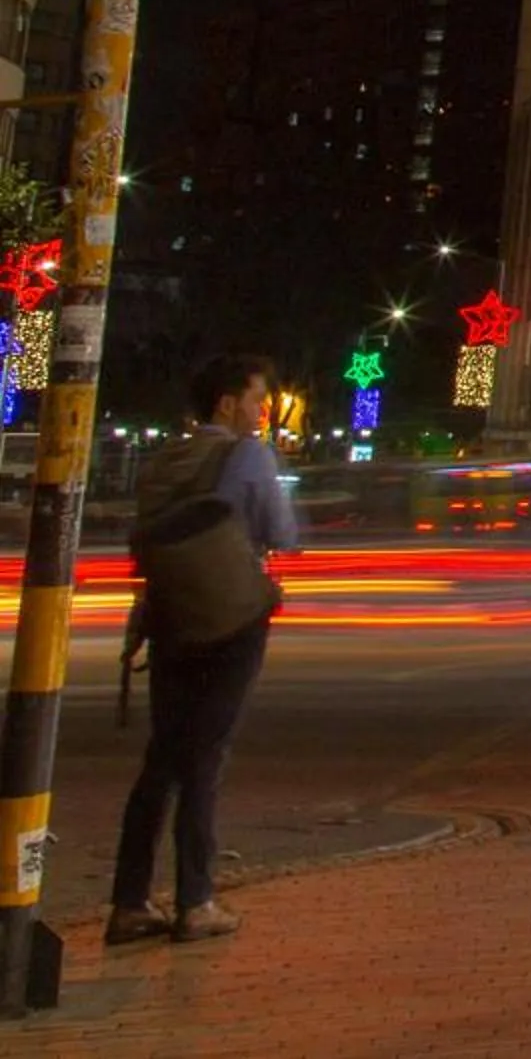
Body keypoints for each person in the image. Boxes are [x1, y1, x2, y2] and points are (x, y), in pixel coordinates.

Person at [107, 351, 298, 946]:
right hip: (231, 618)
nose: (262, 412)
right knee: (206, 758)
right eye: (256, 400)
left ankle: (130, 902)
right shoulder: (248, 455)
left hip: (170, 614)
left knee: (161, 759)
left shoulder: (167, 457)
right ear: (227, 403)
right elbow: (283, 534)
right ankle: (196, 901)